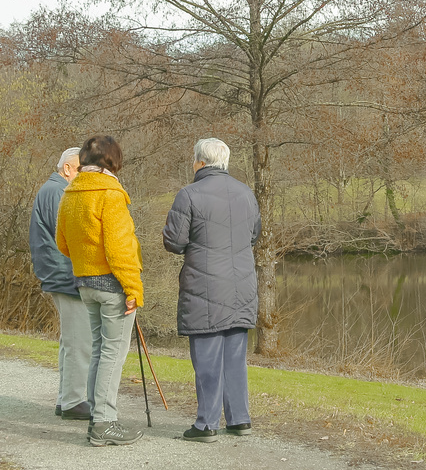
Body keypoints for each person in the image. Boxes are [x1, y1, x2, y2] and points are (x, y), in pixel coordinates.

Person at [162, 137, 260, 443]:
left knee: (206, 357)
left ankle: (206, 424)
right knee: (234, 355)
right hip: (241, 284)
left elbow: (173, 241)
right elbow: (252, 235)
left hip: (204, 285)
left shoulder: (188, 194)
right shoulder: (246, 193)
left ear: (200, 162)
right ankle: (239, 418)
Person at [55, 135, 145, 447]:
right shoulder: (111, 193)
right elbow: (120, 249)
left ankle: (97, 417)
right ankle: (105, 422)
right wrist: (133, 287)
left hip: (84, 282)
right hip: (112, 284)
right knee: (112, 354)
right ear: (113, 161)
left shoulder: (71, 192)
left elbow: (62, 243)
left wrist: (85, 262)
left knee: (98, 349)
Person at [29, 147, 91, 419]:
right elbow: (70, 237)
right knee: (80, 341)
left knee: (71, 340)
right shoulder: (58, 192)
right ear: (68, 169)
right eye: (81, 169)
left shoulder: (51, 189)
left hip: (58, 273)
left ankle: (65, 398)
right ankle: (74, 401)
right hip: (65, 275)